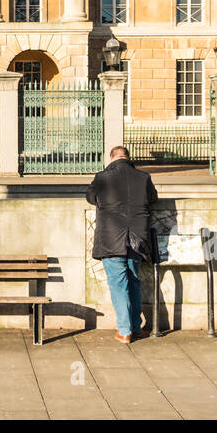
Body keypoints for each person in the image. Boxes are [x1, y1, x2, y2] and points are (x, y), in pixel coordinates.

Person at [86, 145, 157, 344]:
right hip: (137, 239)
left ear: (111, 159)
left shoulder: (102, 177)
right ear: (128, 157)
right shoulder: (143, 177)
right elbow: (153, 198)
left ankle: (125, 330)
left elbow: (91, 197)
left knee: (119, 284)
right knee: (133, 280)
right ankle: (135, 326)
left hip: (112, 238)